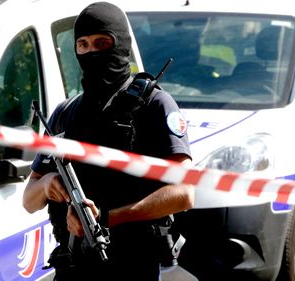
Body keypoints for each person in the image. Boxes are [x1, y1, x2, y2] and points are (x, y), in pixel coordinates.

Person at [23, 2, 194, 280]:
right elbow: (29, 201)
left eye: (102, 43)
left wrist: (107, 218)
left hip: (133, 265)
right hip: (73, 266)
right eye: (83, 45)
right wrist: (46, 184)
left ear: (121, 45)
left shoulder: (154, 105)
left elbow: (184, 193)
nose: (91, 52)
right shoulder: (64, 114)